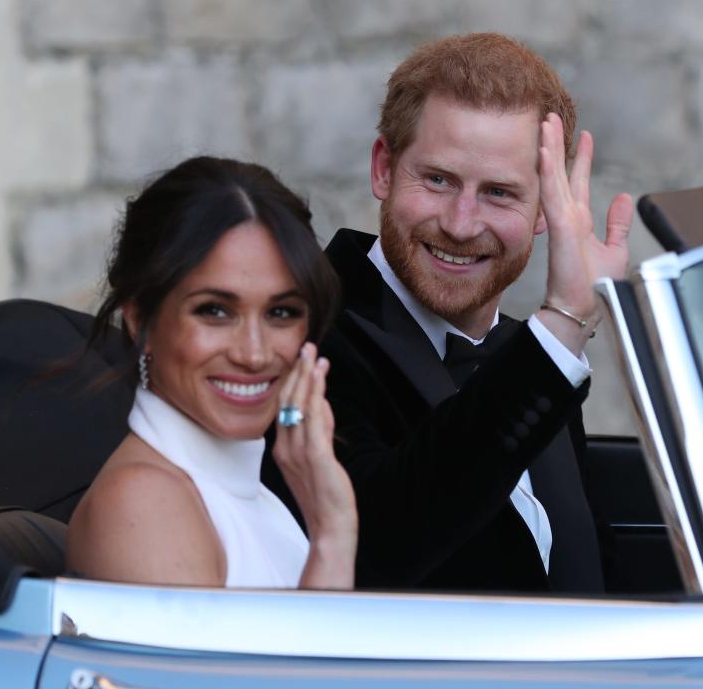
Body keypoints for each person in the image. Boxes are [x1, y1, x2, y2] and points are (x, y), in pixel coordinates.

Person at [264, 33, 633, 592]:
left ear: (544, 210)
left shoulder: (527, 354)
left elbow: (585, 567)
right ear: (384, 169)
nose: (461, 223)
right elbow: (377, 549)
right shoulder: (302, 331)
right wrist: (561, 326)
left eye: (500, 193)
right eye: (438, 180)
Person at [66, 157, 357, 590]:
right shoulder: (144, 503)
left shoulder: (252, 496)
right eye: (215, 311)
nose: (254, 354)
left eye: (281, 312)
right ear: (139, 317)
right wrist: (333, 537)